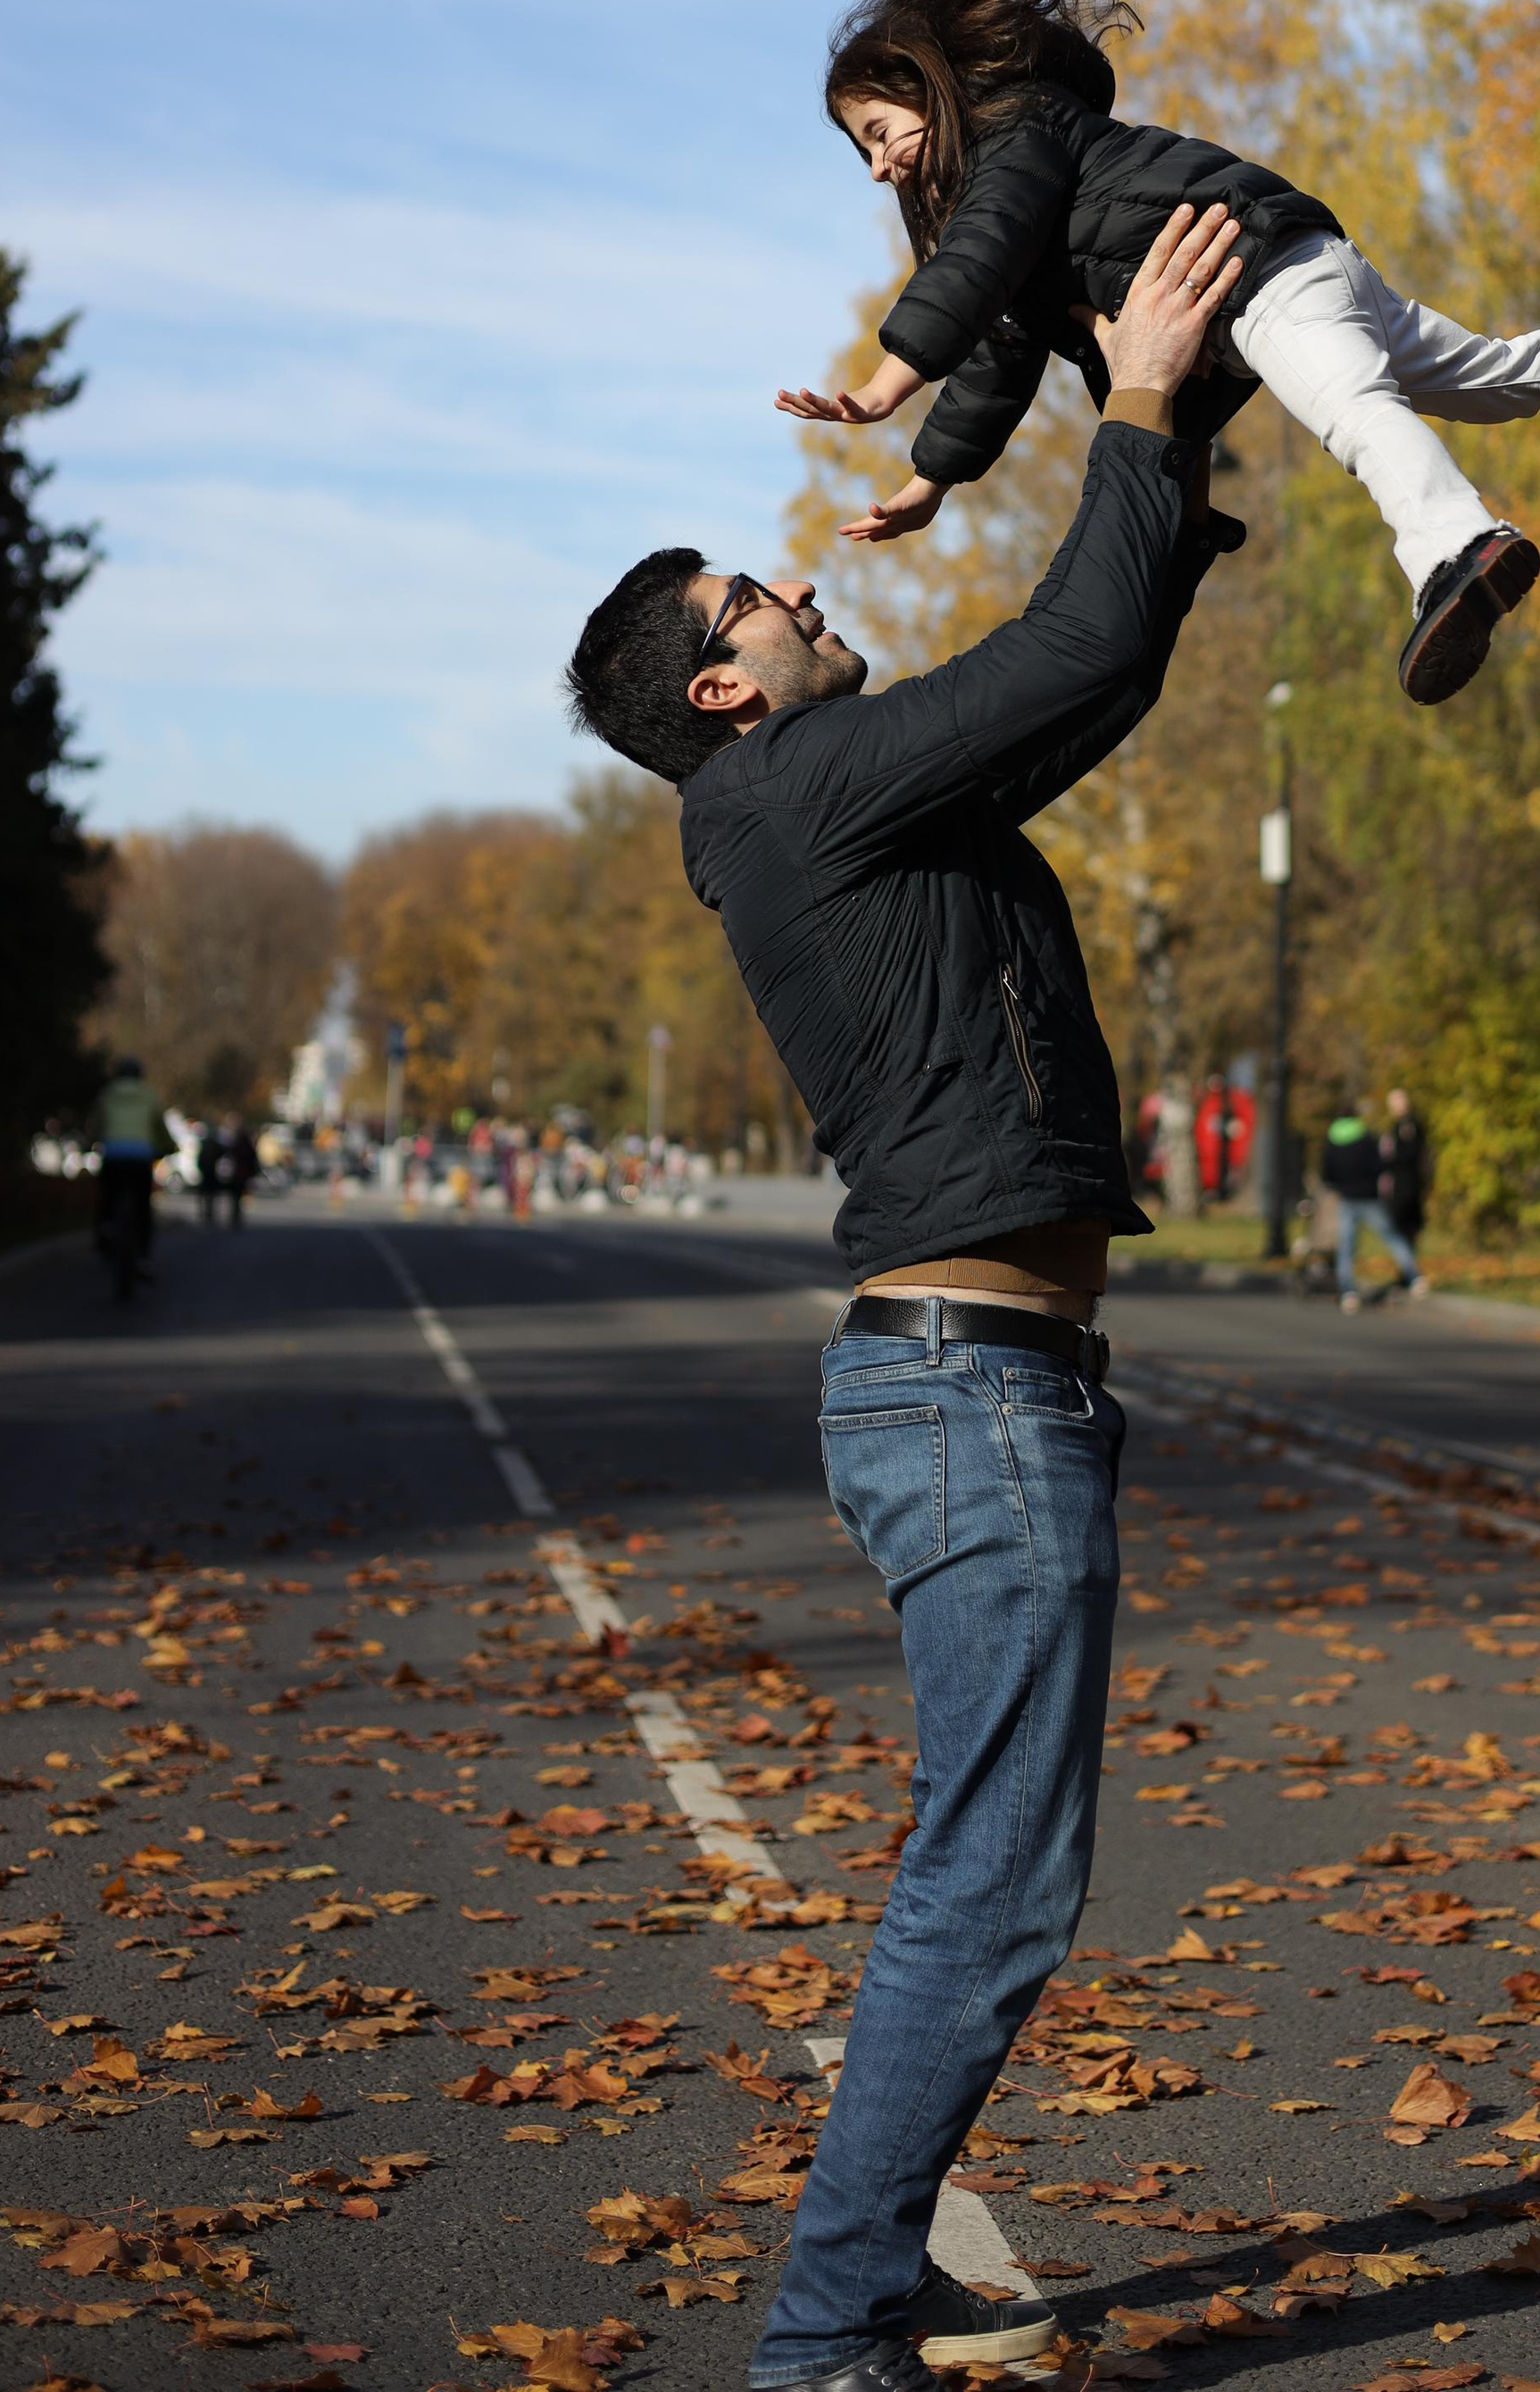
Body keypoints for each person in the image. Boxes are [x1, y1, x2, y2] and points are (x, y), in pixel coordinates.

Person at [565, 204, 1246, 2392]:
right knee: (998, 1881)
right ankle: (822, 2329)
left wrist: (1171, 399)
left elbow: (1098, 664)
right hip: (965, 1399)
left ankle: (855, 2278)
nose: (800, 588)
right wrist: (1124, 391)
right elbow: (1056, 653)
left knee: (984, 1867)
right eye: (758, 594)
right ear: (719, 684)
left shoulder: (846, 801)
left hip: (998, 1386)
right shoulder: (786, 799)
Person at [777, 0, 1540, 707]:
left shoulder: (1016, 133)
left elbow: (976, 261)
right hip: (1293, 266)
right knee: (1491, 377)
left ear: (927, 87)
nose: (878, 166)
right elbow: (997, 346)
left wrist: (882, 385)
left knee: (1348, 407)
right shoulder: (1005, 202)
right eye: (860, 153)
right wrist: (929, 479)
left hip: (1265, 275)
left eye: (877, 131)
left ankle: (1451, 547)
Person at [1320, 1100, 1428, 1313]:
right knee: (1392, 1237)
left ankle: (1348, 1292)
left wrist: (1343, 1186)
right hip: (1369, 1197)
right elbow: (1380, 1165)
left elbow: (1327, 1174)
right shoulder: (1366, 1138)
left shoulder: (1332, 1142)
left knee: (1346, 1248)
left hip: (1348, 1199)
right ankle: (1415, 1277)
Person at [93, 1057, 171, 1295]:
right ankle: (144, 1257)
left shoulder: (107, 1093)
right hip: (140, 1157)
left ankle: (105, 1225)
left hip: (113, 1154)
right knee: (143, 1208)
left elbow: (97, 1123)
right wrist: (168, 1146)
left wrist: (96, 1140)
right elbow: (160, 1126)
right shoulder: (148, 1094)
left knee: (107, 1194)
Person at [1380, 1084, 1429, 1251]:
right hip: (1400, 1183)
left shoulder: (1409, 1125)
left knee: (1406, 1227)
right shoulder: (1398, 1125)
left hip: (1407, 1184)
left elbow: (1410, 1154)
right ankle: (1406, 1270)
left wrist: (1387, 1161)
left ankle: (1409, 1271)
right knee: (1401, 1227)